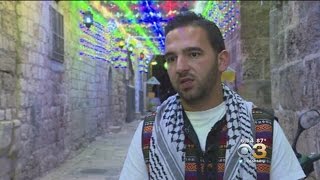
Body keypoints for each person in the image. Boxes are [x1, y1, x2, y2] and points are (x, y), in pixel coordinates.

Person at [120, 11, 305, 180]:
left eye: (193, 54)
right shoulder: (150, 132)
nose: (180, 67)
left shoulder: (262, 130)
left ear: (221, 60)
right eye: (171, 59)